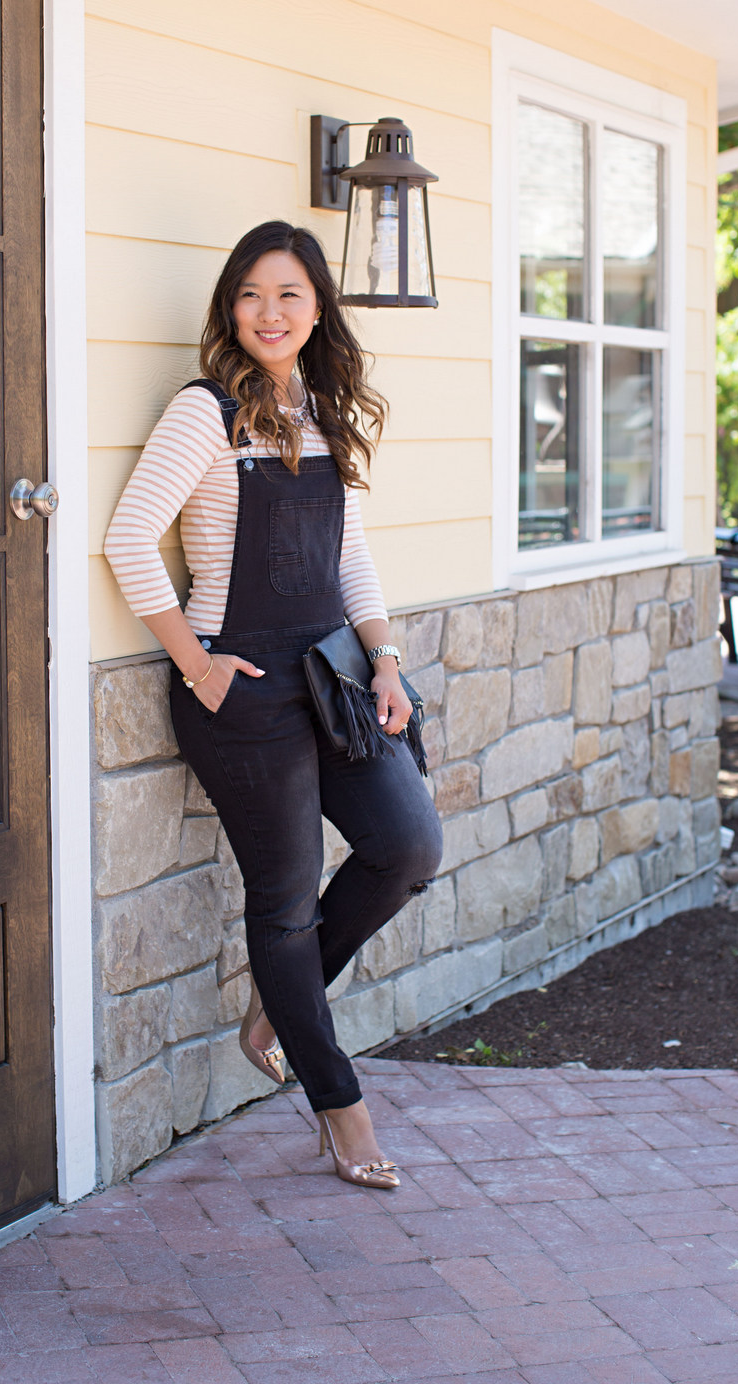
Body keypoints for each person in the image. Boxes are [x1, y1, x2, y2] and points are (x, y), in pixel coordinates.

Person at [105, 220, 443, 1189]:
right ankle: (340, 1110)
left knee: (407, 844)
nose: (268, 312)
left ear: (316, 306)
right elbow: (129, 538)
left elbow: (349, 556)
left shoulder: (323, 414)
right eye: (250, 293)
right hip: (241, 686)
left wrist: (384, 662)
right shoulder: (202, 412)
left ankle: (277, 1008)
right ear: (230, 307)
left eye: (288, 293)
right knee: (285, 905)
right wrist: (198, 665)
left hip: (332, 672)